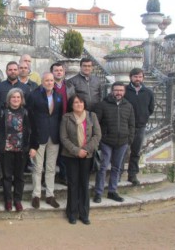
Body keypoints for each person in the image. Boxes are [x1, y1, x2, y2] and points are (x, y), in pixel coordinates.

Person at [60, 95, 101, 225]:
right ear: (71, 105)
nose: (78, 104)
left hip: (87, 156)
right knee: (73, 184)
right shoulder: (66, 118)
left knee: (84, 184)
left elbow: (97, 135)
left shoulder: (91, 116)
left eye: (81, 102)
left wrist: (86, 150)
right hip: (70, 156)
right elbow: (63, 137)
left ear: (84, 103)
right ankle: (72, 213)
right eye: (76, 102)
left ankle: (84, 214)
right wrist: (77, 151)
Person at [93, 82, 135, 203]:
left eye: (121, 90)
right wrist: (99, 139)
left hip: (122, 142)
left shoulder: (128, 106)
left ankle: (112, 191)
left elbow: (132, 124)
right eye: (116, 90)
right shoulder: (103, 105)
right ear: (112, 91)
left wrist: (129, 139)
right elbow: (96, 123)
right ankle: (98, 193)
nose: (118, 93)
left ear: (124, 92)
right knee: (103, 167)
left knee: (117, 168)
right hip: (106, 141)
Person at [28, 72, 63, 209]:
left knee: (51, 168)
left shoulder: (58, 97)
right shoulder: (34, 95)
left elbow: (59, 116)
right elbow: (29, 117)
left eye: (51, 80)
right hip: (39, 136)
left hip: (54, 137)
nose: (49, 83)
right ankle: (36, 195)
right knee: (37, 167)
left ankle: (50, 195)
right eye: (47, 80)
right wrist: (32, 138)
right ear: (42, 82)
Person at [0, 88, 31, 212]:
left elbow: (32, 130)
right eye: (13, 97)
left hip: (21, 150)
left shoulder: (26, 112)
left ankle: (18, 200)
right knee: (7, 176)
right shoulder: (2, 112)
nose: (15, 99)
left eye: (18, 97)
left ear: (21, 99)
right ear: (9, 99)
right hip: (6, 149)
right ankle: (8, 200)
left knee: (19, 177)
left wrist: (32, 147)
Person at [124, 68, 154, 186]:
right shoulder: (125, 91)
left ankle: (132, 175)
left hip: (140, 126)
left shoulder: (148, 92)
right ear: (131, 77)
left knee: (136, 151)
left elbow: (150, 109)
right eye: (135, 76)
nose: (138, 79)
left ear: (143, 78)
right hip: (125, 126)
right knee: (123, 151)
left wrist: (143, 117)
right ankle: (118, 173)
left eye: (140, 77)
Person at [51, 62, 75, 185]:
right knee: (52, 149)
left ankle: (63, 175)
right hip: (53, 122)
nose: (59, 72)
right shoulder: (48, 85)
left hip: (67, 121)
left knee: (65, 149)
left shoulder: (70, 86)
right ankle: (49, 177)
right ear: (52, 72)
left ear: (64, 72)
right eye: (56, 70)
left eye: (61, 70)